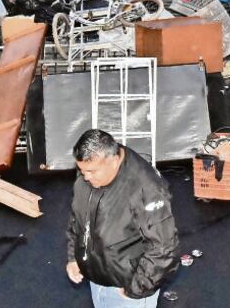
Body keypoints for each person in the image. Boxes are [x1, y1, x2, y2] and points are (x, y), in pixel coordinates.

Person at [66, 129, 179, 306]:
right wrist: (74, 257)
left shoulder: (147, 188)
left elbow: (164, 248)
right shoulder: (91, 171)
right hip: (96, 279)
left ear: (113, 161)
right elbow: (78, 217)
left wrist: (136, 289)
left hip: (126, 290)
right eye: (81, 170)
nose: (85, 177)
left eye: (91, 171)